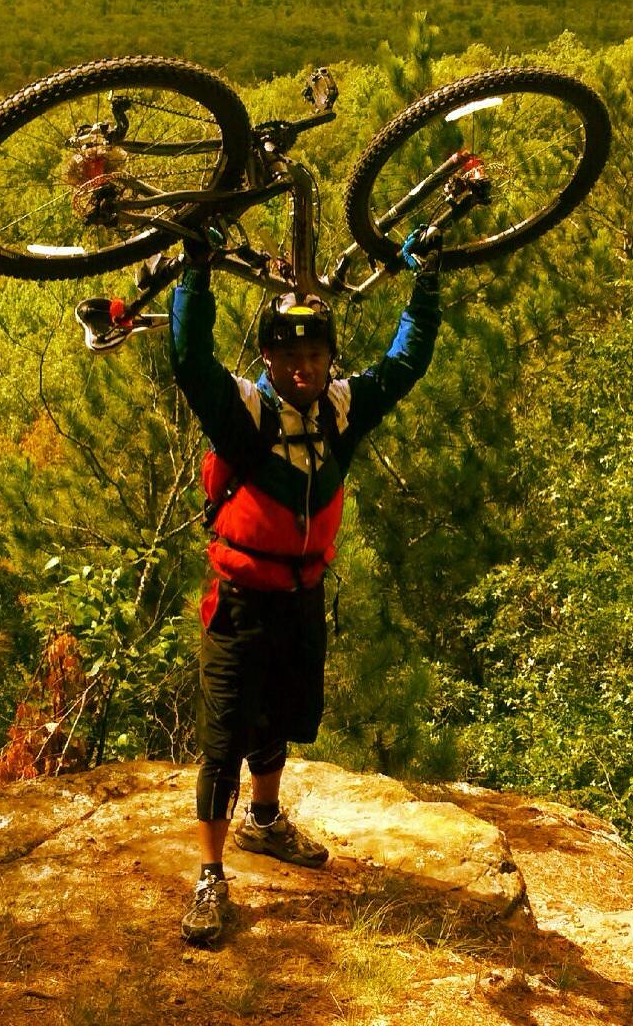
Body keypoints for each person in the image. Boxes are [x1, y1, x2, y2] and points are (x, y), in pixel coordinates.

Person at [167, 235, 442, 945]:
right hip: (238, 599)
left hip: (301, 597)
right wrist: (195, 273)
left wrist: (427, 288)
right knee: (224, 737)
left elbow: (405, 364)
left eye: (315, 356)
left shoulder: (338, 414)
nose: (304, 369)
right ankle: (209, 877)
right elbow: (190, 360)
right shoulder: (245, 414)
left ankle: (265, 823)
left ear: (329, 360)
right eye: (289, 358)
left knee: (282, 715)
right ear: (268, 361)